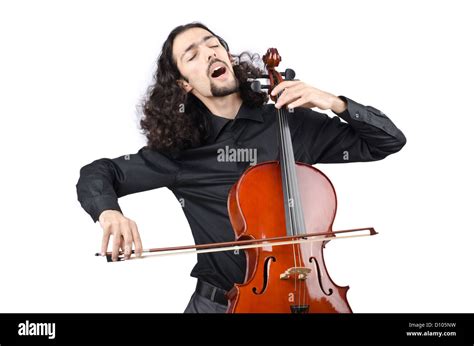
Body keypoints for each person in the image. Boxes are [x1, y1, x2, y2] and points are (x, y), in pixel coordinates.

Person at [76, 22, 407, 313]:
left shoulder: (291, 125)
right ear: (183, 85)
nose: (209, 53)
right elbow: (99, 172)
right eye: (192, 55)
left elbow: (387, 142)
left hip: (311, 294)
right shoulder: (181, 153)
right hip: (219, 305)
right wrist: (109, 212)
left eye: (213, 44)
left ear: (229, 58)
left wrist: (334, 102)